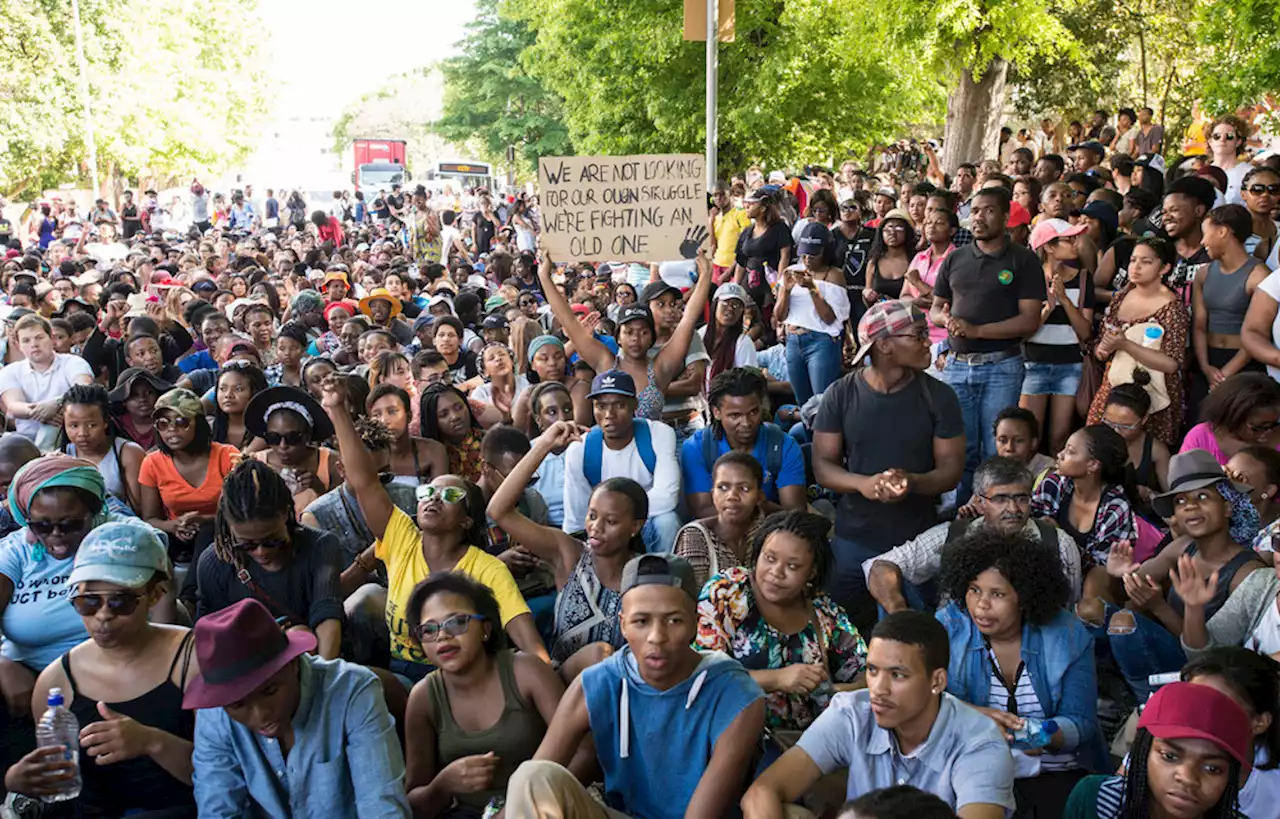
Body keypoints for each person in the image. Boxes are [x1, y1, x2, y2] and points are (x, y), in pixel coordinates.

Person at [322, 375, 547, 684]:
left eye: (450, 495)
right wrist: (337, 411)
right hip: (404, 674)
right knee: (359, 681)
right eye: (427, 493)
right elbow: (364, 481)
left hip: (467, 678)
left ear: (467, 519)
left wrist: (544, 673)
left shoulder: (488, 569)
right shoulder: (401, 538)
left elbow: (527, 640)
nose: (433, 499)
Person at [505, 553, 766, 819]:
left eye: (674, 620)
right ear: (623, 625)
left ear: (695, 626)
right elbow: (531, 786)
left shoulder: (735, 694)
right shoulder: (598, 683)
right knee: (532, 777)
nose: (656, 637)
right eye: (641, 621)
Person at [742, 611, 1015, 819]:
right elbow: (762, 792)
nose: (879, 689)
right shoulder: (851, 712)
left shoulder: (980, 742)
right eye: (872, 671)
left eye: (897, 675)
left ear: (937, 681)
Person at [9, 521, 198, 818]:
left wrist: (151, 742)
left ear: (155, 594)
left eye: (121, 602)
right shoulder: (57, 681)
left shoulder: (193, 659)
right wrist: (22, 781)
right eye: (88, 602)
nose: (103, 616)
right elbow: (64, 787)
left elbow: (231, 775)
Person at [813, 300, 965, 630]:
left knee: (914, 631)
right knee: (833, 628)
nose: (930, 341)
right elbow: (823, 465)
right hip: (854, 538)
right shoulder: (840, 394)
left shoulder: (939, 397)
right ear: (884, 345)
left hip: (916, 543)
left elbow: (951, 471)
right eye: (919, 335)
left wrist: (912, 482)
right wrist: (863, 485)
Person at [186, 599, 411, 819]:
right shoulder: (213, 716)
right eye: (237, 705)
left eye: (270, 691)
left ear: (292, 664)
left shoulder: (354, 692)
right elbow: (218, 808)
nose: (261, 713)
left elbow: (381, 805)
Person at [936, 530, 1103, 816]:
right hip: (972, 769)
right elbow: (926, 699)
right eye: (974, 589)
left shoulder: (1068, 635)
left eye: (997, 594)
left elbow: (1082, 723)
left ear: (1024, 598)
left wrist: (1028, 734)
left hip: (1055, 773)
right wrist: (976, 716)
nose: (981, 605)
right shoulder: (948, 627)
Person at [1089, 450, 1266, 698]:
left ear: (1227, 507)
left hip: (1207, 675)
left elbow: (1211, 657)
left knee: (1124, 622)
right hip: (1166, 651)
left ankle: (1141, 704)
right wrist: (1119, 575)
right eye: (1181, 501)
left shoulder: (1246, 572)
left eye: (1202, 496)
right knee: (1090, 611)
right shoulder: (1183, 547)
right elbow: (1122, 594)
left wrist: (1159, 606)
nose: (1191, 506)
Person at [487, 419, 647, 675]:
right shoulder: (570, 553)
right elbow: (499, 511)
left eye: (612, 521)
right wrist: (544, 445)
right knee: (598, 653)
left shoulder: (644, 575)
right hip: (562, 686)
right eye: (592, 516)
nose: (596, 527)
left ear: (635, 526)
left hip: (623, 690)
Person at [404, 573, 566, 818]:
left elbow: (583, 751)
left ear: (485, 629)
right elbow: (414, 804)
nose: (443, 636)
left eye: (457, 622)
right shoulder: (423, 697)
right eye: (429, 629)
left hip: (545, 806)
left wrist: (521, 806)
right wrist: (443, 785)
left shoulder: (526, 671)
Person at [696, 510, 867, 739]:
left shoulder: (824, 611)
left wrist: (835, 692)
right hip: (734, 738)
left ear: (812, 571)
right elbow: (703, 678)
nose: (776, 572)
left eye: (793, 566)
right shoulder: (727, 593)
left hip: (808, 744)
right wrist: (777, 679)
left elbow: (868, 673)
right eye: (770, 558)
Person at [929, 187, 1045, 500]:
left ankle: (994, 509)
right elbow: (936, 307)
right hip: (955, 365)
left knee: (997, 449)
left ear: (1006, 216)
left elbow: (1029, 320)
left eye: (988, 210)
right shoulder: (955, 258)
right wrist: (947, 321)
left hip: (1002, 366)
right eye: (975, 210)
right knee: (960, 446)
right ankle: (961, 510)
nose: (979, 217)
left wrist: (976, 331)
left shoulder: (1024, 260)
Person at [868, 456, 1084, 613]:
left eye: (1021, 498)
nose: (1013, 509)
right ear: (980, 502)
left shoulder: (1058, 543)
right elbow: (879, 566)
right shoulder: (955, 534)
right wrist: (899, 613)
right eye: (1000, 499)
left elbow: (1071, 608)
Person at [0, 456, 120, 736]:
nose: (56, 536)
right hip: (24, 678)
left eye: (70, 525)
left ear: (95, 513)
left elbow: (161, 605)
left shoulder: (117, 539)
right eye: (42, 526)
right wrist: (2, 664)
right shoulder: (15, 551)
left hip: (104, 679)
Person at [195, 460, 345, 660]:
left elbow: (327, 613)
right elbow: (209, 637)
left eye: (272, 540)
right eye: (247, 545)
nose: (260, 552)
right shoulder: (215, 562)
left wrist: (325, 675)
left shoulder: (320, 547)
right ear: (229, 526)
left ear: (285, 513)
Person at [1062, 682, 1253, 819]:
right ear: (1141, 753)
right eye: (1170, 756)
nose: (1187, 778)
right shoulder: (1094, 799)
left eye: (1212, 768)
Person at [560, 370, 681, 553]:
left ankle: (665, 577)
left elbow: (667, 498)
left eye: (620, 405)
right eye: (601, 406)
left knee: (667, 522)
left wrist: (616, 517)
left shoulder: (658, 435)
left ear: (635, 405)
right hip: (605, 529)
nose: (609, 414)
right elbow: (576, 516)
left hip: (646, 522)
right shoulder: (580, 449)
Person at [1086, 237, 1190, 447]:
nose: (1136, 267)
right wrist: (1104, 349)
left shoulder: (1173, 307)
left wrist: (1126, 345)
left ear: (1165, 268)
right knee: (1100, 447)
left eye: (1146, 261)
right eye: (1133, 260)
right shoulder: (1121, 297)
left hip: (1154, 395)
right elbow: (1100, 349)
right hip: (1114, 387)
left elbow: (1171, 363)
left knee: (1146, 455)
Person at [682, 367, 807, 519]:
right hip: (718, 533)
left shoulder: (783, 446)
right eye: (735, 416)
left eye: (753, 412)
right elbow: (702, 511)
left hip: (772, 532)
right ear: (717, 413)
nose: (746, 423)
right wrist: (758, 506)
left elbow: (795, 514)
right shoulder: (697, 448)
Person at [1023, 219, 1096, 454]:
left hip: (1070, 365)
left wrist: (1064, 301)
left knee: (1059, 438)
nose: (1076, 243)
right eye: (1069, 239)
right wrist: (1046, 311)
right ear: (1049, 246)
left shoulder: (1083, 279)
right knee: (1028, 436)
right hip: (1033, 363)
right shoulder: (1028, 279)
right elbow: (1021, 334)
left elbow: (1086, 332)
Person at [138, 389, 238, 562]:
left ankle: (192, 589)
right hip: (176, 538)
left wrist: (205, 520)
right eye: (163, 423)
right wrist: (174, 526)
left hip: (224, 532)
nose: (172, 430)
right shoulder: (152, 463)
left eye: (181, 422)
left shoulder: (227, 456)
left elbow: (243, 513)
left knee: (207, 534)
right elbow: (150, 519)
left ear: (198, 423)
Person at [1191, 205, 1269, 409]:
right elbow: (1199, 325)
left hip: (1244, 363)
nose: (1202, 242)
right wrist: (1207, 368)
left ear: (1223, 231)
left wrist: (1227, 373)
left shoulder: (1259, 276)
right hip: (1207, 361)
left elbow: (1260, 332)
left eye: (1205, 234)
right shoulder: (1203, 273)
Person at [1033, 425, 1137, 571]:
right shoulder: (1053, 484)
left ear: (1093, 465)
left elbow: (1102, 570)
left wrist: (1061, 538)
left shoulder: (1116, 507)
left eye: (1070, 451)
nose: (1060, 455)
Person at [777, 224, 853, 404]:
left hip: (822, 341)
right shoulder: (792, 272)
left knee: (823, 403)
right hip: (794, 341)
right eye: (804, 253)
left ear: (825, 251)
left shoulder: (834, 275)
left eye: (813, 253)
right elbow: (779, 316)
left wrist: (812, 288)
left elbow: (829, 318)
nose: (807, 258)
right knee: (803, 403)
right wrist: (786, 291)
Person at [0, 314, 94, 450]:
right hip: (26, 443)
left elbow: (85, 388)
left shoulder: (73, 362)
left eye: (39, 338)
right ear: (18, 345)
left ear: (51, 338)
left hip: (72, 440)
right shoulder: (10, 371)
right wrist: (43, 412)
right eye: (26, 340)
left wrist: (56, 403)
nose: (34, 345)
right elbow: (14, 406)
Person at [245, 386, 341, 512]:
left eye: (293, 438)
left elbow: (345, 512)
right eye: (273, 438)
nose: (283, 446)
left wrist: (319, 488)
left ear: (307, 436)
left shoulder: (331, 462)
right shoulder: (254, 464)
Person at [62, 383, 146, 513]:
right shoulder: (61, 457)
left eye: (91, 425)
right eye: (74, 426)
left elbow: (137, 509)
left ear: (106, 421)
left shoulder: (128, 454)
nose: (82, 433)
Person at [1180, 372, 1280, 466]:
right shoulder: (1201, 436)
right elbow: (1183, 481)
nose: (1265, 434)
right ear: (1234, 417)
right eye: (1258, 428)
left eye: (1274, 425)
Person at [368, 384, 449, 487]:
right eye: (376, 415)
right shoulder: (368, 458)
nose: (384, 421)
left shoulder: (433, 451)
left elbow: (440, 496)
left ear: (409, 416)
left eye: (392, 411)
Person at [732, 185, 795, 311]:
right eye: (746, 203)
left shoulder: (779, 229)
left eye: (752, 204)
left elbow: (785, 257)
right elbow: (741, 262)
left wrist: (779, 285)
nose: (747, 207)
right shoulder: (747, 231)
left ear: (763, 207)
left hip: (769, 287)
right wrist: (735, 288)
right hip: (748, 287)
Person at [420, 382, 487, 483]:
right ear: (432, 421)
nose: (455, 417)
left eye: (459, 408)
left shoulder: (489, 441)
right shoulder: (429, 455)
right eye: (444, 414)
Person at [701, 282, 759, 387]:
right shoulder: (700, 334)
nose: (730, 308)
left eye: (736, 305)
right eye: (725, 303)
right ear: (715, 304)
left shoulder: (743, 343)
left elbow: (748, 383)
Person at [211, 360, 268, 449]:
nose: (228, 395)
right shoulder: (209, 429)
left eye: (238, 389)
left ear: (255, 392)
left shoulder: (268, 430)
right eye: (223, 389)